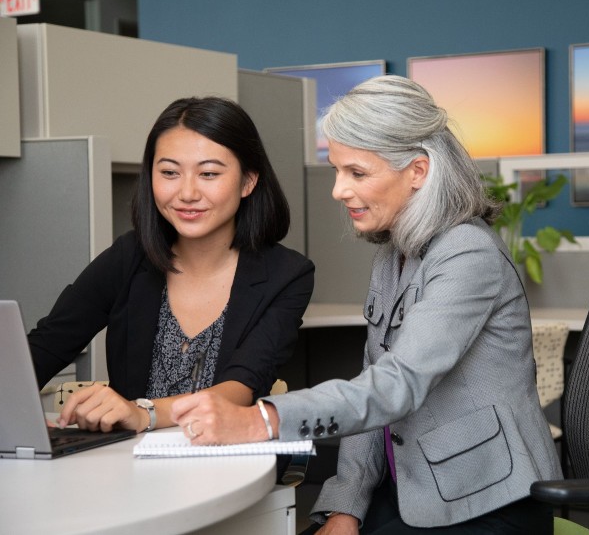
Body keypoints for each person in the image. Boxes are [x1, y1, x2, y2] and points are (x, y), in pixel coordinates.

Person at [170, 76, 562, 534]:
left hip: (485, 500)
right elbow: (372, 381)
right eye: (337, 170)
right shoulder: (394, 255)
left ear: (417, 171)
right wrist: (346, 505)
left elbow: (397, 386)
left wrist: (262, 420)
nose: (338, 190)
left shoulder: (467, 253)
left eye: (356, 173)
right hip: (412, 490)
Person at [29, 96, 314, 437]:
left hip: (227, 465)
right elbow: (44, 347)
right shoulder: (129, 256)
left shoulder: (286, 275)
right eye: (169, 172)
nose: (187, 192)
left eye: (208, 173)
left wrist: (143, 413)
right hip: (129, 465)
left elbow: (240, 387)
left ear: (248, 181)